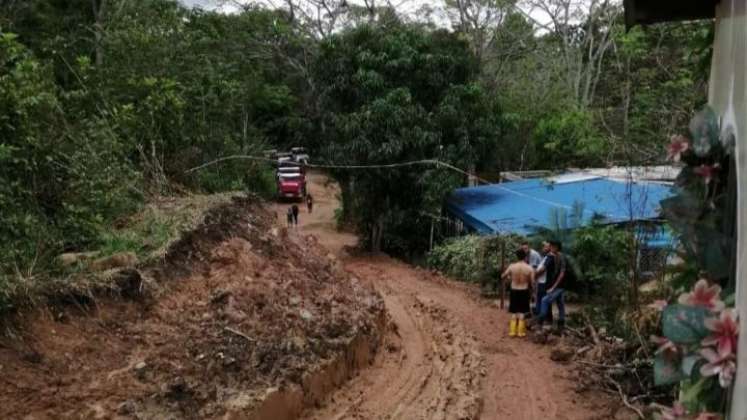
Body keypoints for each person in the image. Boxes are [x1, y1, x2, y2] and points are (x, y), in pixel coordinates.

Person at [502, 248, 534, 338]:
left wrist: (509, 278)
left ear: (517, 256)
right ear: (525, 257)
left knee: (514, 311)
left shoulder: (512, 266)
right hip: (524, 290)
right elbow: (533, 282)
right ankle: (521, 333)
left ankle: (512, 332)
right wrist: (533, 292)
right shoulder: (529, 268)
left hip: (514, 290)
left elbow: (503, 276)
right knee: (522, 312)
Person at [538, 240, 567, 331]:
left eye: (553, 246)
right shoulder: (553, 256)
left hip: (559, 285)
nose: (551, 248)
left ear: (557, 247)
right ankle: (561, 325)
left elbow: (561, 274)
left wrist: (553, 287)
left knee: (544, 300)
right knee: (560, 304)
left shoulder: (561, 257)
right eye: (550, 246)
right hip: (556, 284)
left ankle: (540, 323)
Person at [533, 241, 555, 323]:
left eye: (545, 247)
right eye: (543, 247)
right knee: (541, 300)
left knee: (543, 301)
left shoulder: (550, 257)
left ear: (550, 248)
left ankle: (545, 319)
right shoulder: (545, 257)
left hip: (545, 283)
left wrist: (534, 274)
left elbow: (543, 269)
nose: (543, 248)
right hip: (541, 282)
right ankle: (542, 318)